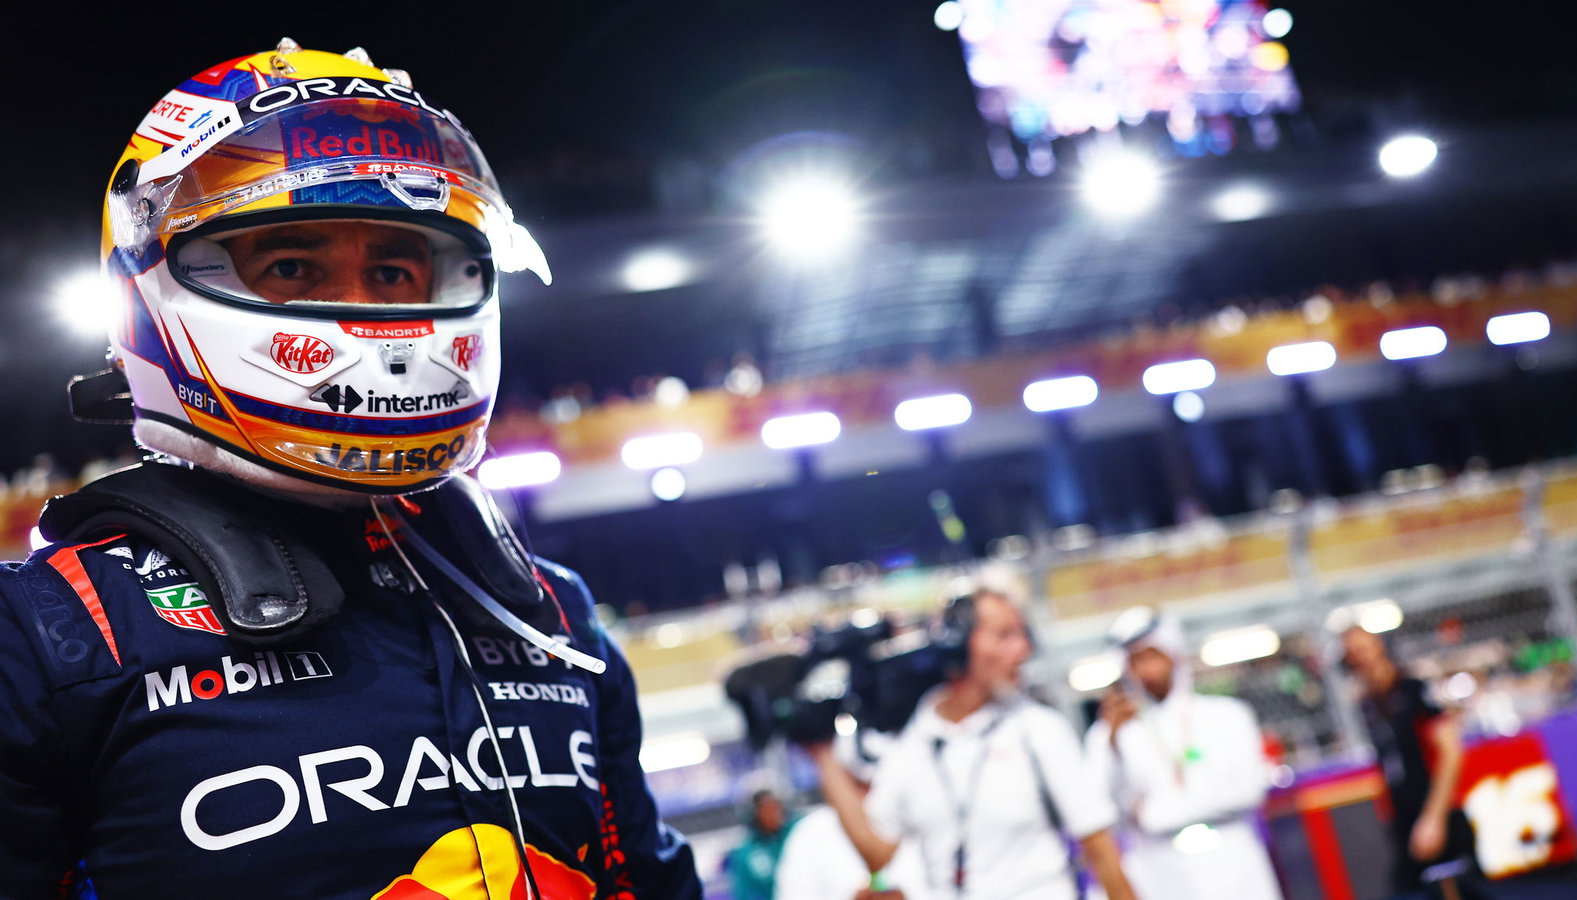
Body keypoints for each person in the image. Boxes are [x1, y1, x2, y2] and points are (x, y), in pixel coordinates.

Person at [0, 41, 700, 899]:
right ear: (153, 289)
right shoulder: (40, 638)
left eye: (395, 269)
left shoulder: (550, 613)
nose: (366, 311)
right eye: (293, 266)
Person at [805, 589, 1139, 900]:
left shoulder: (1039, 730)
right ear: (958, 644)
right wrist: (823, 758)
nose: (1023, 649)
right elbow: (877, 854)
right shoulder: (913, 746)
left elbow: (1101, 852)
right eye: (1005, 635)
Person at [1083, 607, 1283, 900]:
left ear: (1173, 655)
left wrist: (1155, 815)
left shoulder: (1227, 715)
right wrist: (1111, 746)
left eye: (1151, 656)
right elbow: (1096, 812)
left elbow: (1247, 792)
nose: (1145, 671)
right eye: (1134, 661)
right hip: (1161, 873)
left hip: (1233, 864)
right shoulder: (1109, 734)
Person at [1341, 627, 1490, 900]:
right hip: (1406, 823)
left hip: (1439, 817)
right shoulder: (1368, 704)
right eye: (1353, 653)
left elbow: (1451, 753)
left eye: (1364, 649)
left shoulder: (1413, 690)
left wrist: (1434, 818)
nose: (1360, 658)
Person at [774, 730, 927, 900]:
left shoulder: (920, 819)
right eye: (858, 784)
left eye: (874, 785)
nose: (868, 795)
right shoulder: (809, 833)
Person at [726, 789, 794, 900]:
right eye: (766, 808)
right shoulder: (746, 854)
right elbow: (744, 893)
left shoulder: (795, 837)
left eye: (775, 806)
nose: (773, 813)